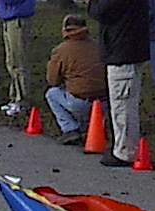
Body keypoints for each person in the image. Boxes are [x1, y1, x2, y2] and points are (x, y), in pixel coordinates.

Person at [83, 0, 149, 167]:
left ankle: (125, 151)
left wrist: (92, 1)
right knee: (123, 103)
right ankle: (124, 146)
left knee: (122, 104)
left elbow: (104, 12)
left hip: (123, 52)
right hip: (126, 48)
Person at [44, 13, 107, 144]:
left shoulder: (61, 50)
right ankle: (89, 126)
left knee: (52, 94)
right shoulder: (98, 46)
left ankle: (69, 129)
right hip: (105, 101)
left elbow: (52, 80)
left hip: (80, 100)